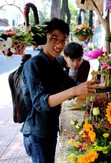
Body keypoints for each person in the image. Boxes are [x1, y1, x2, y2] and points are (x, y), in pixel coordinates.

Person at [21, 18, 99, 163]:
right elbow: (40, 103)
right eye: (54, 38)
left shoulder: (54, 63)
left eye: (63, 40)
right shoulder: (33, 65)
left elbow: (69, 83)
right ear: (45, 38)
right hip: (37, 131)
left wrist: (95, 87)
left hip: (50, 128)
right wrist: (75, 90)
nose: (59, 45)